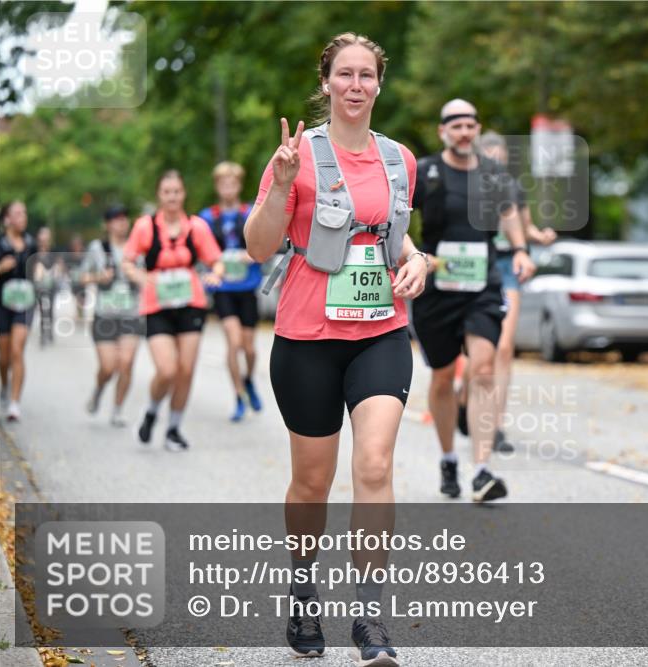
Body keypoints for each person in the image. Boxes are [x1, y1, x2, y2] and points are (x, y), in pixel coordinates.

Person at [245, 33, 426, 665]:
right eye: (343, 75)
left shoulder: (399, 159)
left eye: (366, 75)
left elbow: (394, 238)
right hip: (306, 338)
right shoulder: (296, 156)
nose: (355, 85)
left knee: (374, 466)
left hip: (380, 331)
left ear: (379, 84)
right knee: (311, 484)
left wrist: (419, 261)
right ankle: (302, 585)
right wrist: (280, 186)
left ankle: (371, 615)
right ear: (326, 83)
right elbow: (259, 247)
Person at [410, 100, 535, 503]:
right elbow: (395, 216)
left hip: (482, 284)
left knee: (482, 368)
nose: (465, 132)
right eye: (456, 126)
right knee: (444, 376)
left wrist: (520, 249)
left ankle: (481, 470)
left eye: (470, 125)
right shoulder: (425, 173)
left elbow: (510, 212)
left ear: (478, 130)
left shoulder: (494, 174)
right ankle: (448, 457)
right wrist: (410, 258)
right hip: (438, 287)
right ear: (442, 131)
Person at [456, 130, 557, 452]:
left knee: (503, 347)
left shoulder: (513, 188)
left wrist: (539, 238)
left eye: (501, 160)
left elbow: (523, 228)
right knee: (477, 351)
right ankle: (464, 397)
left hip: (506, 269)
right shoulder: (467, 187)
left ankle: (495, 425)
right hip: (474, 267)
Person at [123, 171, 224, 451]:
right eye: (167, 192)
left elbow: (216, 260)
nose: (172, 197)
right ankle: (152, 411)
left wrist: (215, 274)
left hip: (190, 303)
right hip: (157, 305)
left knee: (186, 370)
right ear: (159, 194)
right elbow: (128, 261)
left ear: (183, 194)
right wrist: (140, 277)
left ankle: (173, 428)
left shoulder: (196, 226)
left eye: (177, 191)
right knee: (167, 369)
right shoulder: (145, 227)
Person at [199, 161, 263, 422]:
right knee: (233, 341)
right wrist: (211, 269)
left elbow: (265, 242)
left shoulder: (251, 212)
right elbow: (200, 249)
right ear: (217, 186)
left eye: (232, 183)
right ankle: (238, 396)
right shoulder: (207, 217)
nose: (228, 188)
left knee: (249, 348)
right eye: (223, 183)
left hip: (247, 286)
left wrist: (253, 255)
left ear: (238, 185)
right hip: (223, 288)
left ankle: (248, 380)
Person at [82, 205, 143, 427]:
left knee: (126, 363)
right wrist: (99, 277)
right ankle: (98, 390)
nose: (122, 223)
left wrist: (138, 276)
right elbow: (81, 276)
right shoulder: (98, 248)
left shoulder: (137, 247)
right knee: (108, 367)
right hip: (104, 315)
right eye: (116, 219)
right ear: (107, 224)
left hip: (131, 314)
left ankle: (117, 409)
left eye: (124, 218)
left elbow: (149, 274)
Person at [0, 201, 37, 422]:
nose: (23, 217)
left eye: (24, 212)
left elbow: (40, 268)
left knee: (17, 351)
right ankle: (4, 384)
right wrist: (1, 267)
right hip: (1, 304)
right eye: (18, 213)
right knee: (4, 358)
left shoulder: (32, 244)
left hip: (25, 303)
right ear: (7, 219)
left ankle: (14, 403)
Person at [32, 226, 61, 348]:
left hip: (51, 284)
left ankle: (49, 332)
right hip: (38, 285)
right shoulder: (34, 251)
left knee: (50, 309)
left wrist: (55, 273)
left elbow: (59, 265)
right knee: (43, 309)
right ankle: (44, 333)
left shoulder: (53, 251)